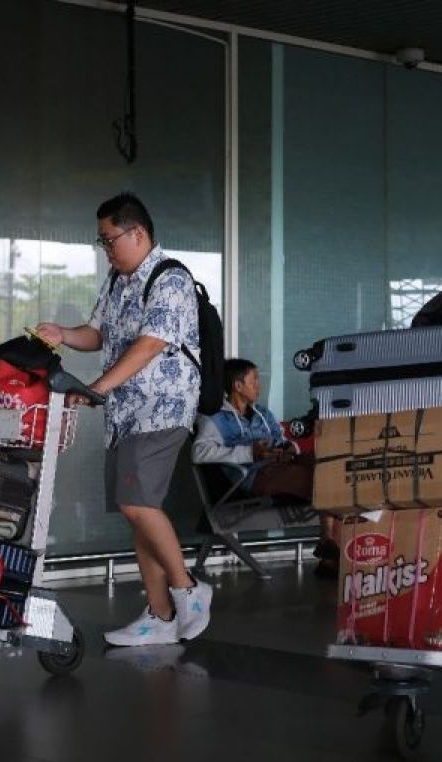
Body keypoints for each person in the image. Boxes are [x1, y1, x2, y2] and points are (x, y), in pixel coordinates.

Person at [36, 192, 213, 647]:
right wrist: (63, 334)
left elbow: (151, 343)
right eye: (102, 242)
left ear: (137, 233)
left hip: (162, 407)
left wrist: (97, 388)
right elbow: (98, 334)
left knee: (137, 504)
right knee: (139, 512)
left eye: (109, 240)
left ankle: (188, 590)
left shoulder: (169, 278)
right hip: (125, 413)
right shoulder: (118, 281)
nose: (106, 250)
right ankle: (159, 615)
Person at [192, 358, 339, 576]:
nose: (259, 386)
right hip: (253, 476)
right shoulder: (214, 419)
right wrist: (249, 452)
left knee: (328, 464)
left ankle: (328, 546)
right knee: (318, 481)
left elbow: (280, 440)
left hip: (280, 464)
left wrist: (289, 448)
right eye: (254, 381)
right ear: (237, 385)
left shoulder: (263, 413)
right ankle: (328, 545)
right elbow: (198, 452)